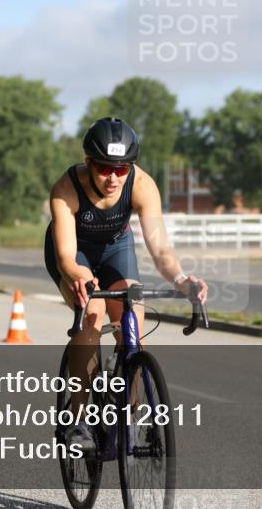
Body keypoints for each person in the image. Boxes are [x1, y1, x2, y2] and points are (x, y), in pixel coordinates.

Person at [44, 117, 208, 449]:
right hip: (75, 254)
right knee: (92, 314)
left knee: (132, 318)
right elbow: (65, 257)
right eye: (105, 168)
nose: (113, 178)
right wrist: (79, 276)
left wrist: (180, 279)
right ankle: (79, 421)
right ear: (89, 163)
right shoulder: (66, 189)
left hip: (116, 248)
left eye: (121, 169)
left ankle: (128, 407)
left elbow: (161, 249)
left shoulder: (142, 184)